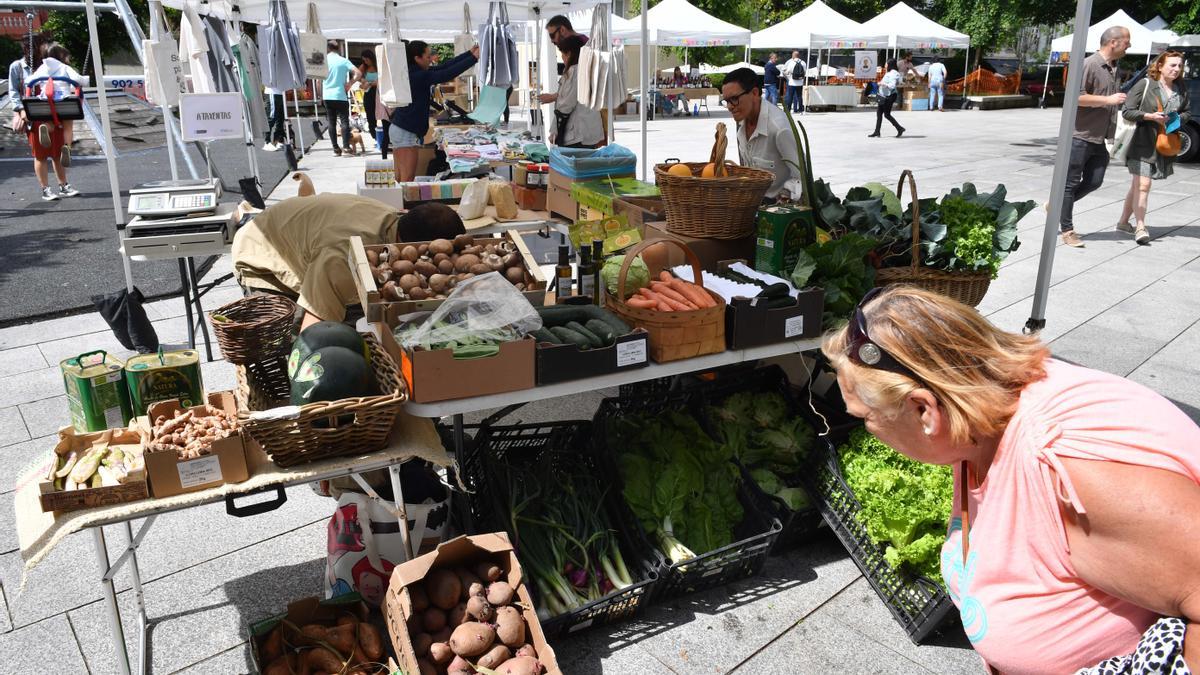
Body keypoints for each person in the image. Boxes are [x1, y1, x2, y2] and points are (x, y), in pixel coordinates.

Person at [823, 286, 1200, 674]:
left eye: (865, 418)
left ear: (923, 411)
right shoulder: (977, 422)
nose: (868, 431)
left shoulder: (1069, 465)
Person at [232, 194, 467, 330]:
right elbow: (315, 324)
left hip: (303, 239)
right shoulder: (345, 255)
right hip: (261, 254)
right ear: (415, 249)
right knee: (291, 337)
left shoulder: (394, 222)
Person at [1059, 25, 1130, 249]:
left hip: (1100, 137)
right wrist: (1109, 101)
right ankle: (1067, 230)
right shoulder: (1089, 64)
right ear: (1113, 42)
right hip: (1080, 135)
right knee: (1069, 184)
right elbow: (1075, 97)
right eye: (1127, 41)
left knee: (1094, 181)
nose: (1129, 45)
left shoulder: (1113, 68)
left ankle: (1057, 205)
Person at [1116, 51, 1190, 247]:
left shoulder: (1181, 87)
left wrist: (1176, 119)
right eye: (1172, 65)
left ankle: (1123, 223)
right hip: (1142, 142)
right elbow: (1127, 111)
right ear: (1159, 66)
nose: (1176, 69)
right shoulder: (1145, 84)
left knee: (1137, 185)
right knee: (1143, 185)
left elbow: (1186, 112)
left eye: (1179, 66)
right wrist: (1150, 116)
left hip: (1164, 142)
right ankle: (1140, 226)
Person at [389, 41, 478, 182]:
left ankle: (398, 203)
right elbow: (446, 74)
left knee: (401, 179)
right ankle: (402, 204)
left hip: (401, 130)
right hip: (405, 133)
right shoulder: (418, 75)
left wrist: (470, 54)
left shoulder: (415, 72)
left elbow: (445, 67)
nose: (431, 59)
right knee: (407, 180)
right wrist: (474, 58)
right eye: (427, 56)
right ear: (417, 58)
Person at [721, 68, 804, 201]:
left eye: (734, 99)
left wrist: (781, 199)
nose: (730, 106)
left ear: (754, 93)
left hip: (777, 209)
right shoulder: (742, 121)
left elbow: (802, 177)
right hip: (750, 201)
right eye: (726, 101)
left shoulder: (779, 128)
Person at [26, 42, 82, 201]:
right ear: (62, 56)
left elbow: (29, 82)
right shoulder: (65, 68)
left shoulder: (42, 68)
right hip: (62, 104)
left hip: (44, 106)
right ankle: (68, 146)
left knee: (55, 153)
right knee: (67, 125)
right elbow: (78, 80)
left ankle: (61, 186)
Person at [538, 35, 603, 147]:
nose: (562, 58)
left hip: (577, 132)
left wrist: (555, 131)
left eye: (563, 54)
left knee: (573, 162)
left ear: (569, 53)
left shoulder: (575, 72)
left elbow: (566, 105)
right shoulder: (589, 70)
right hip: (589, 129)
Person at [322, 40, 360, 157]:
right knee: (344, 121)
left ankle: (335, 149)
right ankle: (346, 147)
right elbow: (358, 73)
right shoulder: (343, 61)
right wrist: (350, 83)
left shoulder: (323, 61)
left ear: (328, 48)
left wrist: (321, 95)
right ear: (338, 48)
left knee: (331, 122)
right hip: (340, 94)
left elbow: (318, 81)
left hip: (327, 95)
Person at [868, 58, 905, 138]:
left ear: (890, 64)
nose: (885, 65)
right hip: (884, 96)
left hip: (889, 96)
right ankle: (877, 131)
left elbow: (892, 85)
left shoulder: (893, 73)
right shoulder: (889, 72)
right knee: (879, 113)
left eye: (886, 63)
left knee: (887, 115)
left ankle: (899, 128)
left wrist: (882, 84)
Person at [356, 49, 381, 150]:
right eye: (364, 60)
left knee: (382, 117)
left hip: (379, 93)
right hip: (369, 94)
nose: (365, 62)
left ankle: (384, 137)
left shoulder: (378, 65)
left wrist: (370, 83)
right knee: (371, 117)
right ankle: (375, 137)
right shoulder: (363, 67)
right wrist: (362, 81)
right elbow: (356, 76)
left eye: (367, 60)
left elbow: (381, 80)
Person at [782, 50, 806, 114]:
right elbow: (804, 72)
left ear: (793, 55)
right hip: (800, 83)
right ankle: (801, 110)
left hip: (792, 82)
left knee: (790, 96)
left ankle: (788, 110)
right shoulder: (803, 62)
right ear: (799, 55)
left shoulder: (791, 62)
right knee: (799, 96)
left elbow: (787, 71)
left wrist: (786, 74)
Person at [263, 85, 286, 151]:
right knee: (271, 118)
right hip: (272, 92)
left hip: (282, 92)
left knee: (281, 118)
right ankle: (267, 142)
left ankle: (278, 140)